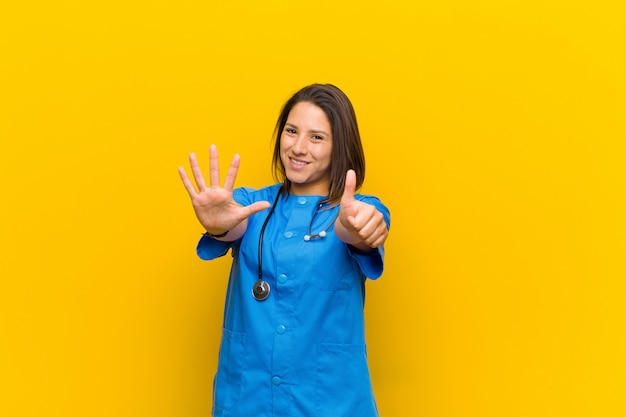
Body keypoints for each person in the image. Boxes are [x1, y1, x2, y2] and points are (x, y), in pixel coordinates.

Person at [178, 84, 390, 417]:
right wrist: (217, 224)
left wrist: (360, 227)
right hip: (248, 399)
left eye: (317, 137)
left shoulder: (358, 209)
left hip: (329, 403)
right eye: (291, 131)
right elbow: (231, 226)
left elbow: (358, 232)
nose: (298, 147)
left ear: (340, 147)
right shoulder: (251, 205)